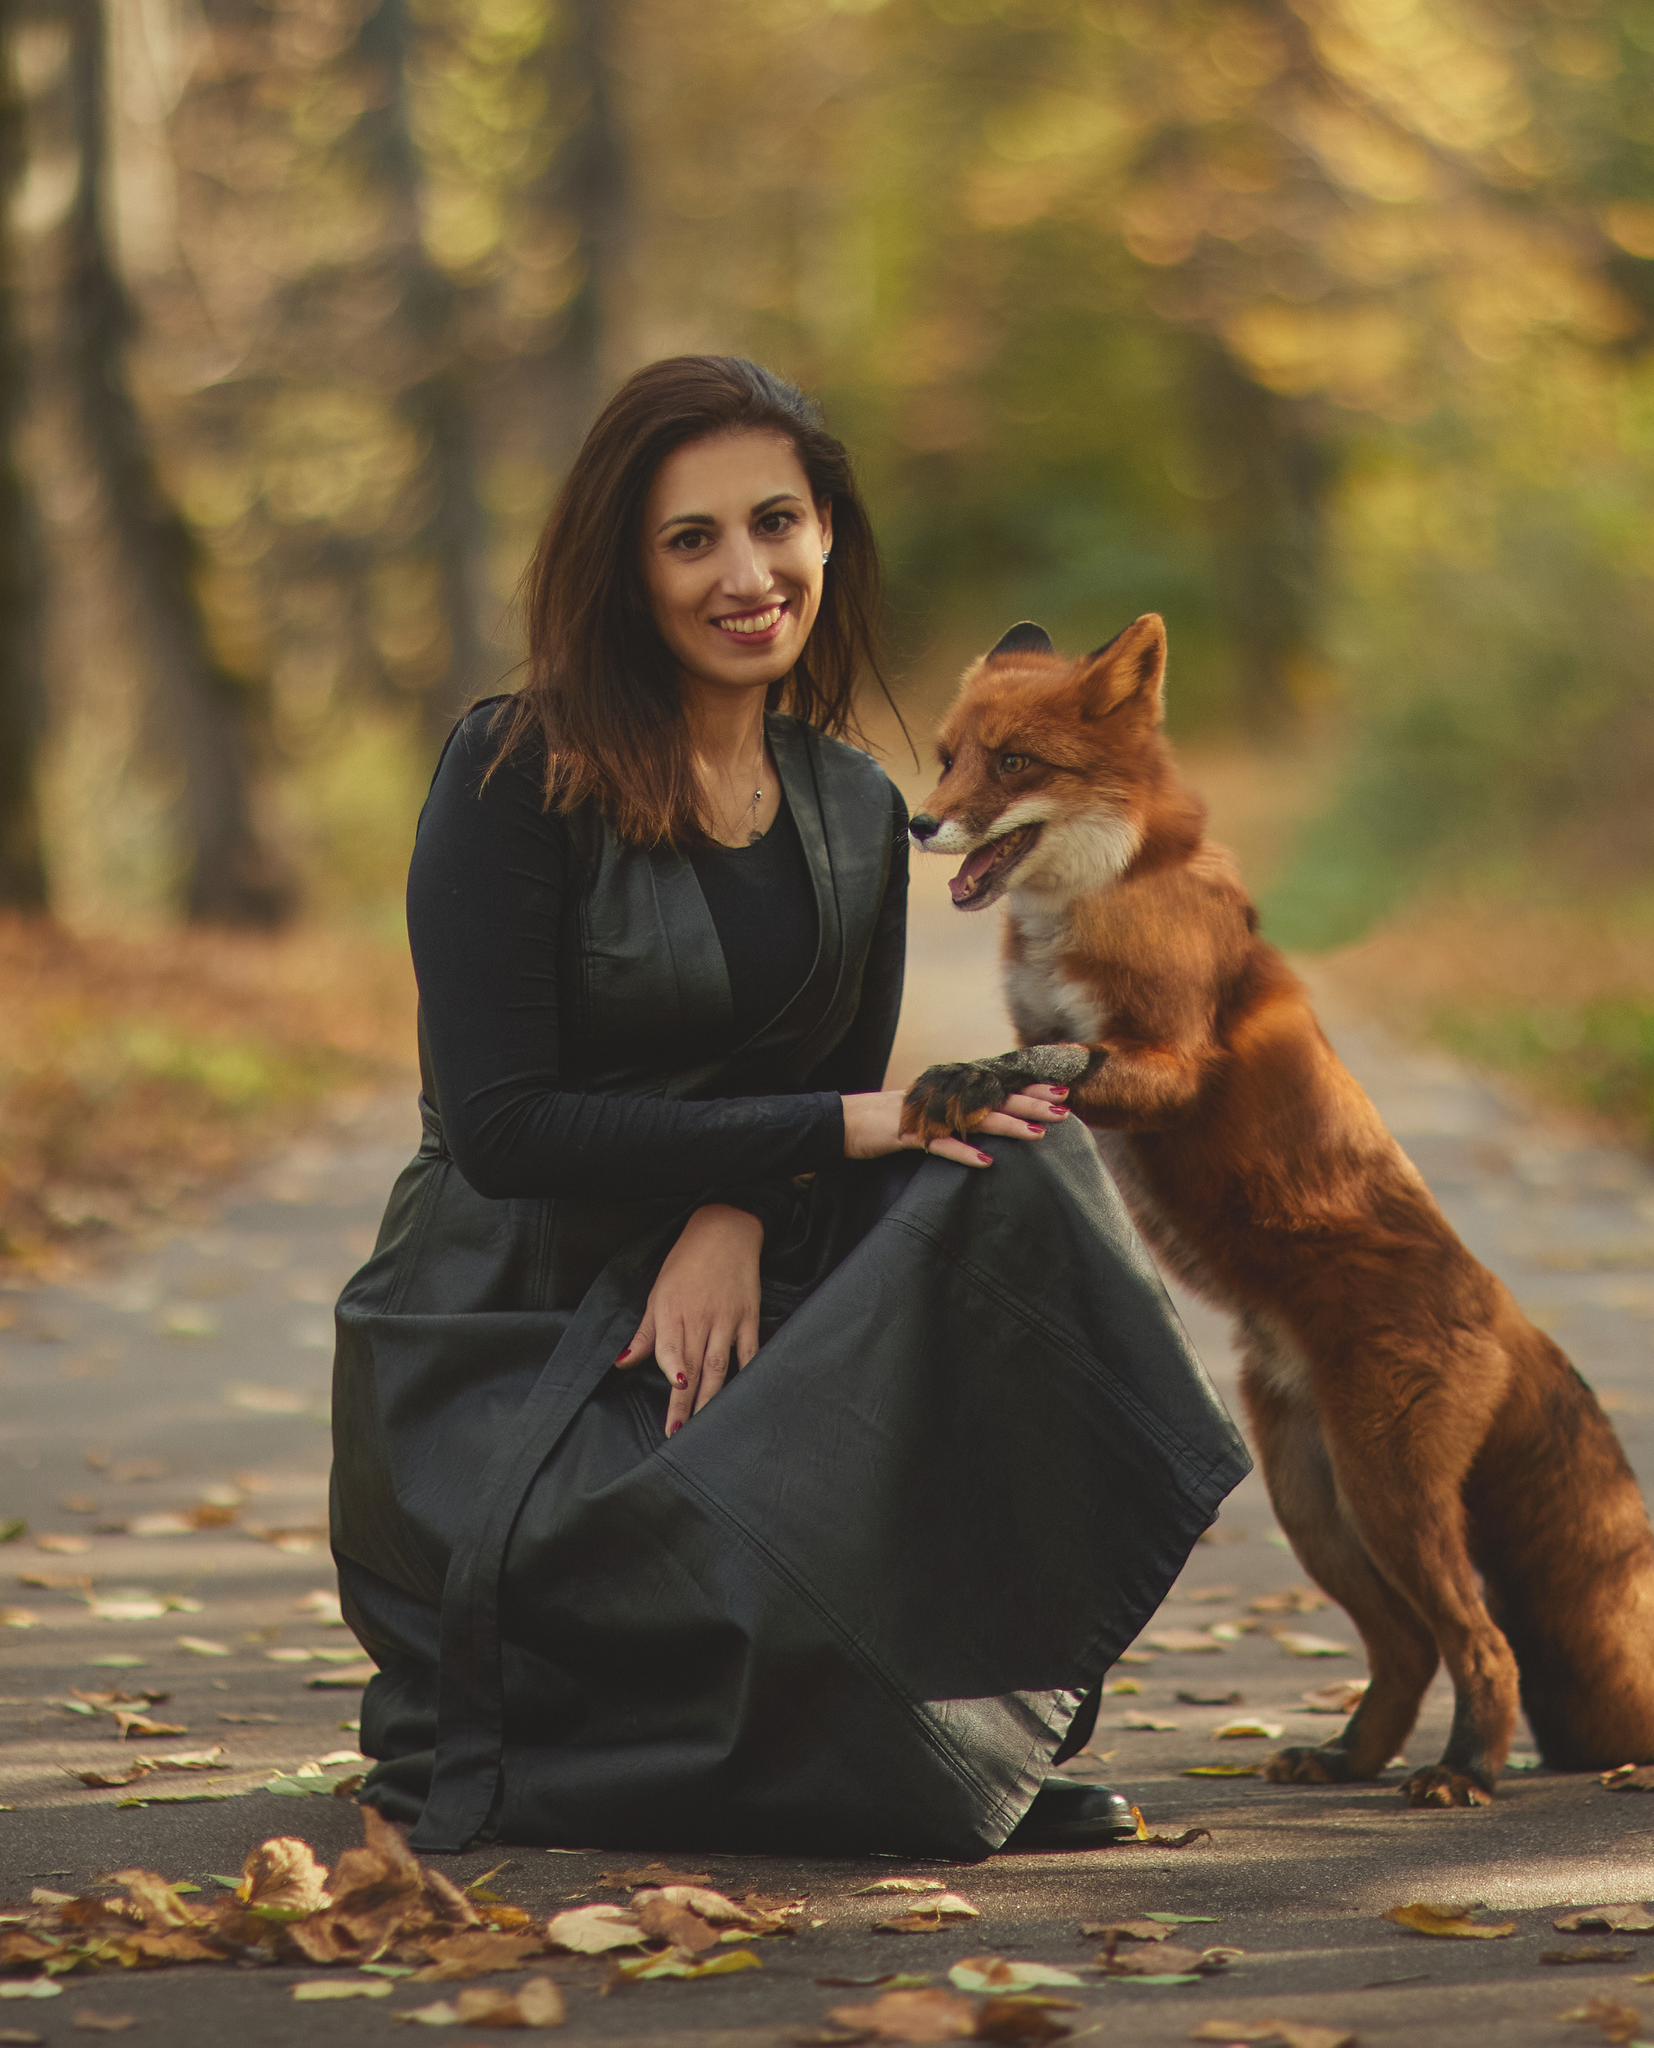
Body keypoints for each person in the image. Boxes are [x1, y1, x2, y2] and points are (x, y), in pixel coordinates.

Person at [329, 355, 1248, 1859]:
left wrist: (736, 1211)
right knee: (929, 1133)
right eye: (693, 538)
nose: (748, 575)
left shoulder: (841, 803)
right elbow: (504, 1130)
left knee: (1020, 1154)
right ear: (623, 567)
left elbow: (803, 1073)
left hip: (736, 1265)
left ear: (829, 536)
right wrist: (838, 1133)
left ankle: (982, 1705)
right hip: (509, 1324)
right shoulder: (511, 770)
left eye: (778, 524)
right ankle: (826, 1730)